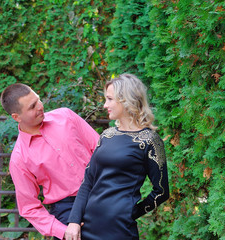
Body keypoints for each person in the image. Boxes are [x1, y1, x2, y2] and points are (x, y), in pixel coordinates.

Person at [64, 74, 170, 240]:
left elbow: (161, 192)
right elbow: (88, 182)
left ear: (126, 100)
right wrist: (74, 220)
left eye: (109, 99)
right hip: (87, 225)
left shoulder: (150, 140)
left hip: (119, 230)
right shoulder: (107, 135)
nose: (105, 105)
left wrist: (129, 213)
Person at [0, 83, 100, 239]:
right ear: (16, 117)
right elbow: (29, 208)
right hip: (68, 208)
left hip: (102, 189)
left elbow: (100, 150)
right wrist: (62, 231)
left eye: (38, 100)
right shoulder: (19, 158)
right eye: (32, 107)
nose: (40, 106)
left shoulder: (66, 117)